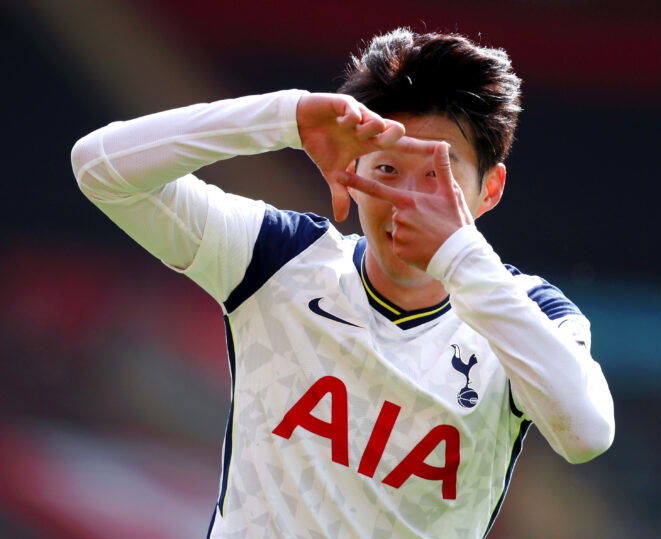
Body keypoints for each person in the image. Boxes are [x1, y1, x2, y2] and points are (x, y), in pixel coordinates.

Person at [71, 28, 614, 538]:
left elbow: (586, 434)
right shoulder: (279, 260)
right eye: (387, 170)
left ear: (489, 189)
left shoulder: (528, 312)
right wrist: (286, 118)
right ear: (352, 173)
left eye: (438, 174)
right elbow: (100, 168)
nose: (408, 200)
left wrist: (458, 255)